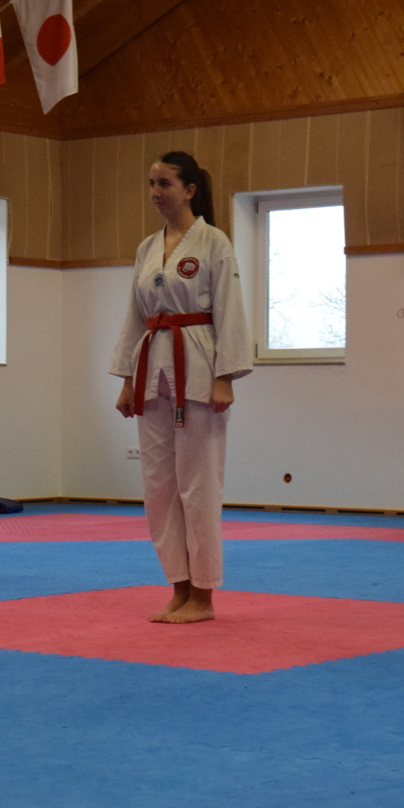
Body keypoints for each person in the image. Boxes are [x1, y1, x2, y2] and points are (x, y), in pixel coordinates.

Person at [111, 151, 252, 624]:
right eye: (151, 183)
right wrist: (127, 380)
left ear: (189, 190)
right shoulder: (147, 247)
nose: (155, 192)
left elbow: (230, 309)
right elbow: (135, 316)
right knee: (159, 488)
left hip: (197, 369)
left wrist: (225, 376)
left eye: (165, 183)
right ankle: (179, 588)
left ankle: (204, 596)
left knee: (199, 486)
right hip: (153, 367)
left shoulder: (214, 242)